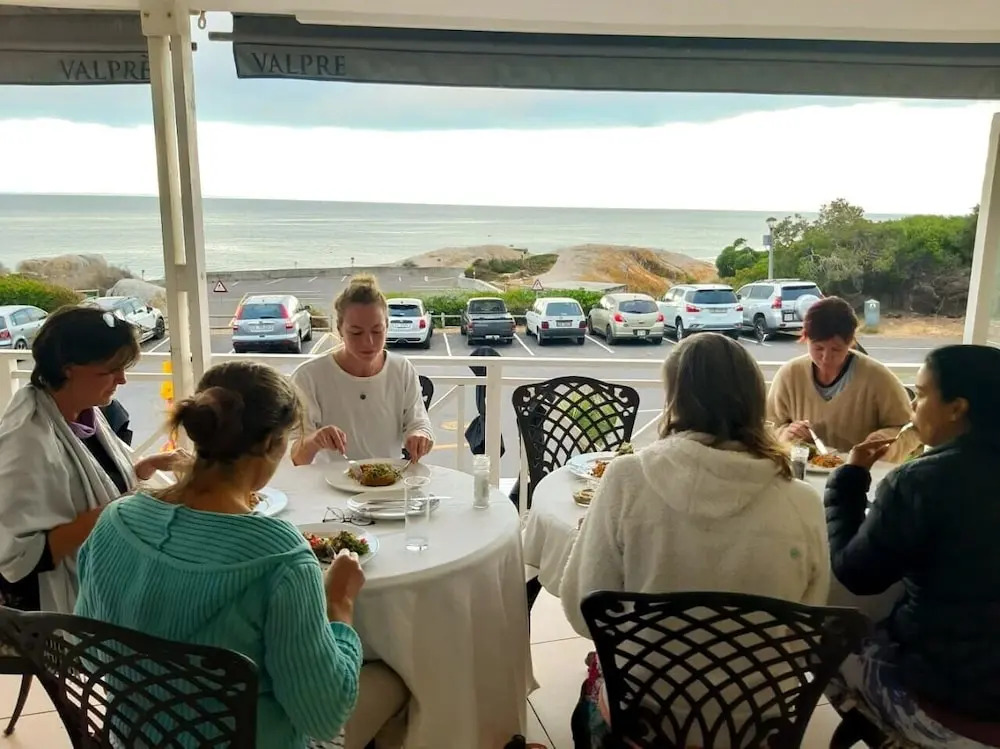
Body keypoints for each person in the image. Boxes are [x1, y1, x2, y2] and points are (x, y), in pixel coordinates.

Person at [75, 361, 409, 749]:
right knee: (398, 677)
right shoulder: (281, 557)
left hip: (135, 737)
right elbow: (324, 715)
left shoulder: (115, 520)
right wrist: (340, 605)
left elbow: (89, 654)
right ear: (271, 445)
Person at [560, 333, 830, 748]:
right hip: (759, 722)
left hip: (647, 716)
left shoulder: (627, 480)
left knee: (588, 697)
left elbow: (582, 610)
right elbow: (807, 627)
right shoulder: (804, 502)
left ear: (675, 399)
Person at [824, 345, 1000, 748]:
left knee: (824, 637)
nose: (913, 407)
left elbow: (856, 574)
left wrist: (849, 480)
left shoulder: (922, 482)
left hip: (956, 702)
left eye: (919, 395)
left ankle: (904, 734)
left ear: (956, 408)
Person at [0, 306, 186, 613]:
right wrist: (122, 511)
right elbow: (15, 558)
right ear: (68, 369)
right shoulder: (26, 442)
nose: (122, 380)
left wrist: (146, 466)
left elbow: (89, 488)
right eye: (110, 370)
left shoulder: (87, 414)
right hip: (54, 608)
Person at [291, 275, 434, 464]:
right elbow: (295, 457)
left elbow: (418, 422)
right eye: (356, 332)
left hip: (388, 477)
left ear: (387, 326)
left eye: (377, 331)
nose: (368, 342)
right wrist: (314, 441)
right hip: (327, 480)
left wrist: (419, 435)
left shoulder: (401, 369)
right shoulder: (309, 377)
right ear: (340, 329)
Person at [768, 296, 918, 463]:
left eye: (836, 349)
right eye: (818, 348)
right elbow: (767, 427)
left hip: (861, 473)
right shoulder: (790, 375)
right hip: (803, 472)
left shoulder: (877, 378)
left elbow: (911, 429)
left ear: (851, 342)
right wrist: (786, 435)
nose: (826, 357)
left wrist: (884, 443)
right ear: (806, 338)